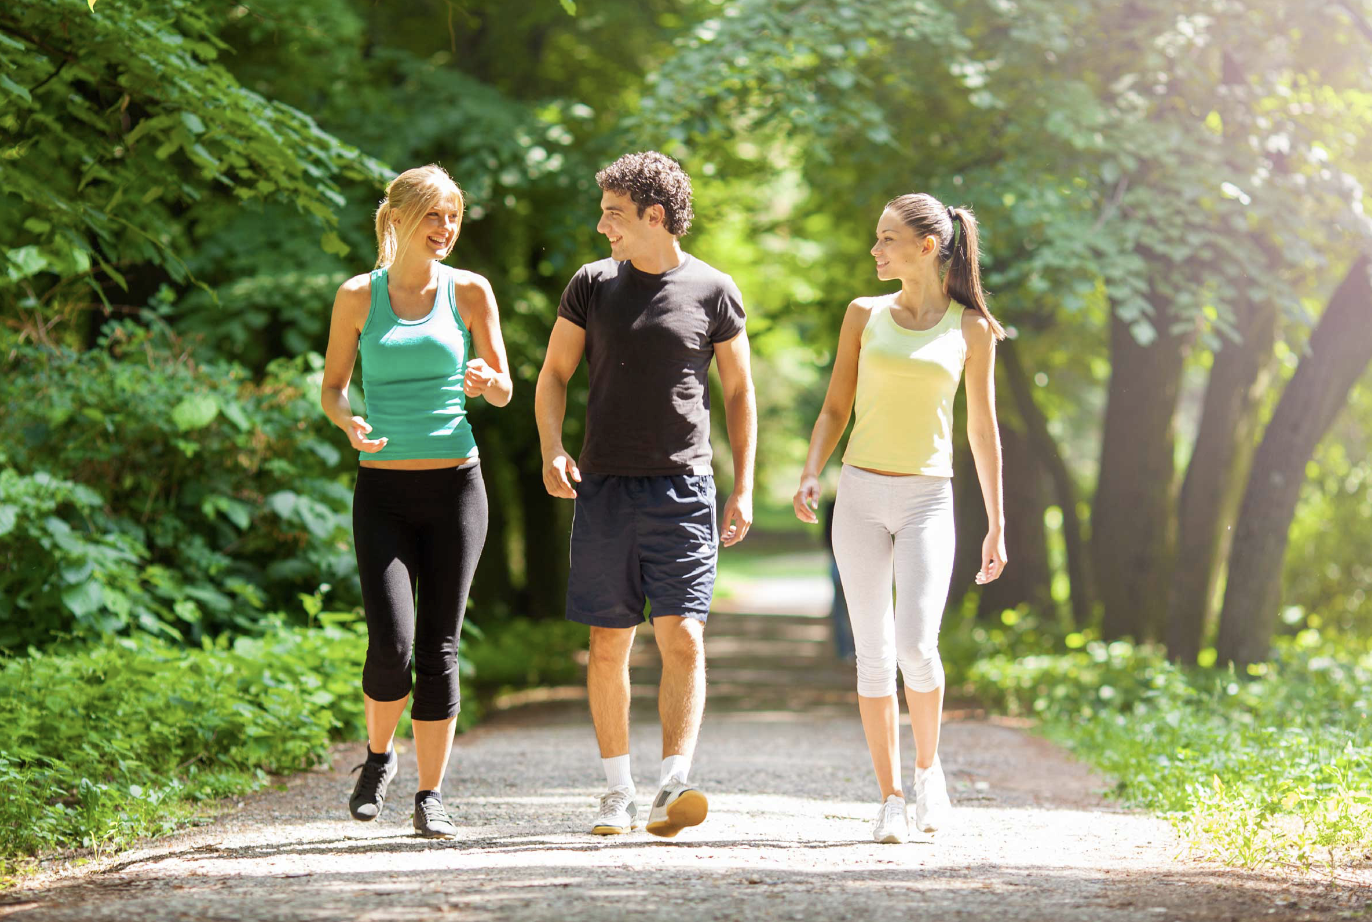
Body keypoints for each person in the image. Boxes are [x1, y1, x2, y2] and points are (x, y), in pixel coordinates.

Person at [535, 151, 757, 838]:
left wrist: (743, 485)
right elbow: (552, 376)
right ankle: (617, 793)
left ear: (653, 217)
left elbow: (741, 393)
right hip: (604, 489)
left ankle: (672, 786)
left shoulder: (714, 290)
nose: (603, 227)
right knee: (608, 642)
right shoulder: (591, 286)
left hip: (684, 488)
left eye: (613, 214)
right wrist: (552, 448)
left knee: (683, 636)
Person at [793, 194, 1006, 844]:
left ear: (927, 246)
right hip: (858, 495)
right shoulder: (863, 315)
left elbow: (982, 429)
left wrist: (998, 523)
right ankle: (888, 797)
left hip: (927, 500)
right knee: (873, 654)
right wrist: (810, 470)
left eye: (887, 239)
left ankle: (926, 771)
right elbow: (835, 407)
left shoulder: (971, 329)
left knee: (917, 645)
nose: (874, 250)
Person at [320, 164, 512, 838]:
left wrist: (487, 380)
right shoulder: (356, 297)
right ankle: (378, 758)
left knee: (439, 647)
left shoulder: (470, 292)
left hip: (457, 485)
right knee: (391, 644)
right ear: (397, 218)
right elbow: (334, 388)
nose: (446, 228)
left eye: (454, 216)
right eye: (433, 215)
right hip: (384, 492)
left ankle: (431, 794)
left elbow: (503, 386)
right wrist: (347, 421)